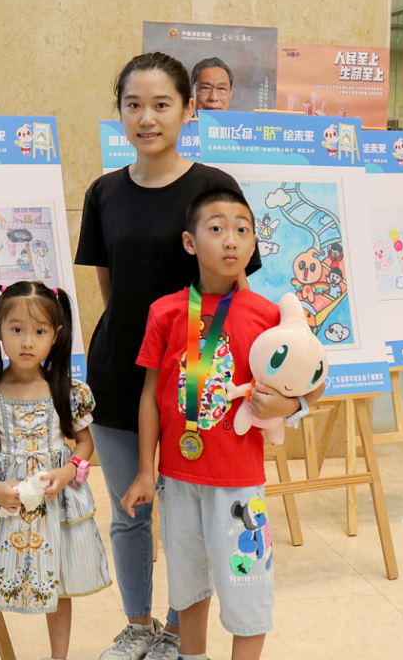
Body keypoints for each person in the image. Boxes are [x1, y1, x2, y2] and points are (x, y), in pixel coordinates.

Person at [75, 52, 268, 660]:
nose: (147, 118)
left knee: (197, 518)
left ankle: (182, 633)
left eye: (162, 104)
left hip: (198, 386)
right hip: (120, 374)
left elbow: (238, 289)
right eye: (133, 105)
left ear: (187, 110)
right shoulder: (104, 192)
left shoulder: (213, 188)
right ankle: (139, 624)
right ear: (120, 112)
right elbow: (112, 288)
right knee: (130, 510)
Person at [122, 189, 324, 660]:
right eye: (216, 228)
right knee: (187, 584)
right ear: (190, 242)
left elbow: (313, 383)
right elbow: (150, 395)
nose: (230, 240)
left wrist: (288, 406)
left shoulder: (269, 318)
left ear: (253, 244)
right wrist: (147, 470)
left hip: (238, 484)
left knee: (247, 585)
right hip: (178, 477)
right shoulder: (165, 311)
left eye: (242, 229)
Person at [0, 281, 110, 660]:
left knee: (60, 583)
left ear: (56, 335)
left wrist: (67, 473)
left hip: (54, 503)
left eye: (39, 331)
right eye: (16, 329)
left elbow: (84, 445)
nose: (26, 341)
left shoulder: (68, 392)